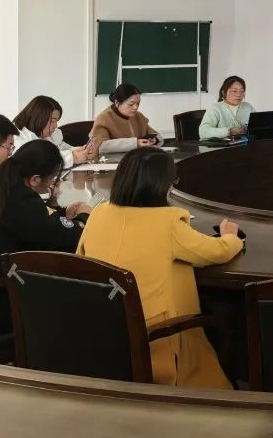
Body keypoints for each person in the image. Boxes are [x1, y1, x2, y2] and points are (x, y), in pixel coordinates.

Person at [77, 148, 243, 389]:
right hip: (153, 338)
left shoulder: (98, 214)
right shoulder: (167, 223)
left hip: (101, 330)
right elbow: (216, 252)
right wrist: (231, 237)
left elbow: (80, 260)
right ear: (163, 186)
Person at [0, 140, 91, 335]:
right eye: (52, 180)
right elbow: (68, 238)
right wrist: (84, 216)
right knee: (80, 294)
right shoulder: (18, 199)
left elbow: (32, 222)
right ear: (35, 180)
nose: (53, 185)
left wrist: (60, 213)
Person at [13, 95, 94, 168]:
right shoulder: (17, 137)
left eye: (56, 121)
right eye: (52, 121)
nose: (55, 126)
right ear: (38, 118)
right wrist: (72, 157)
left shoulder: (49, 133)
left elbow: (62, 147)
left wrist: (79, 151)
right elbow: (37, 160)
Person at [90, 83, 160, 155]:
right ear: (117, 103)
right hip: (112, 160)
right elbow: (101, 146)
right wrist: (135, 143)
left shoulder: (138, 116)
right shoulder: (103, 119)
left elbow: (156, 135)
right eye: (131, 104)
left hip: (136, 158)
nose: (135, 107)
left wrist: (154, 140)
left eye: (138, 103)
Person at [198, 75, 255, 139]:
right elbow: (203, 132)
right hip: (222, 145)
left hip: (244, 144)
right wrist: (229, 131)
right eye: (234, 91)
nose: (239, 94)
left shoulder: (248, 107)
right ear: (224, 92)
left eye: (241, 91)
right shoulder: (215, 108)